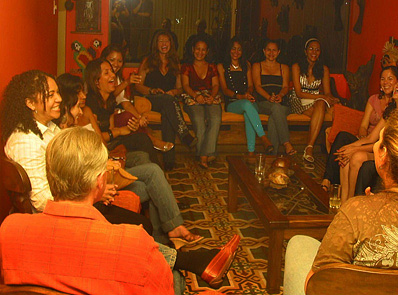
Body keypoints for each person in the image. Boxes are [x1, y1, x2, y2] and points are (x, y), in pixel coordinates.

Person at [0, 127, 241, 294]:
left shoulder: (9, 229)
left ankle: (196, 261)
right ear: (100, 182)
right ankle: (195, 262)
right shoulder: (133, 241)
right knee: (175, 276)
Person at [283, 108, 398, 295]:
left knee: (298, 243)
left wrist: (368, 211)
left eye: (379, 141)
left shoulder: (356, 211)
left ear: (383, 156)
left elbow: (317, 284)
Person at [1, 70, 152, 233]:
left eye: (57, 92)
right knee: (142, 224)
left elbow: (75, 160)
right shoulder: (25, 142)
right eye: (51, 95)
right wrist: (93, 196)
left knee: (143, 220)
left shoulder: (49, 127)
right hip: (60, 221)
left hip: (75, 202)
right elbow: (42, 201)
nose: (59, 99)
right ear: (30, 103)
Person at [69, 66, 202, 245]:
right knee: (152, 172)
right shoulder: (67, 126)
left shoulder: (87, 110)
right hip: (99, 169)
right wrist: (120, 132)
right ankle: (168, 230)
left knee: (142, 157)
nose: (83, 96)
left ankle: (161, 235)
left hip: (104, 157)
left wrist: (119, 131)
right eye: (78, 93)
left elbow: (102, 138)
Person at [322, 75, 398, 203]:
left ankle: (352, 203)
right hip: (380, 150)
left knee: (356, 156)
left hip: (393, 156)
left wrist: (355, 149)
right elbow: (371, 137)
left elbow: (390, 147)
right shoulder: (391, 111)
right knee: (346, 156)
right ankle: (344, 203)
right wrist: (350, 147)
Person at [136, 30, 197, 170]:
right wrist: (152, 90)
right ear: (156, 44)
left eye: (167, 41)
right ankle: (184, 134)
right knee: (168, 102)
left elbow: (180, 89)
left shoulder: (175, 63)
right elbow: (138, 85)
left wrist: (172, 92)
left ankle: (169, 160)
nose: (164, 44)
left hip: (168, 102)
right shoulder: (148, 61)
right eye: (161, 41)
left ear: (171, 44)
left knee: (167, 110)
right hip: (151, 99)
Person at [101, 44, 175, 154]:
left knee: (137, 120)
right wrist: (127, 83)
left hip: (115, 116)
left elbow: (126, 103)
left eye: (120, 61)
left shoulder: (117, 78)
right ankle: (154, 141)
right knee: (128, 117)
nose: (116, 64)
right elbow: (108, 97)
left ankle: (151, 146)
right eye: (112, 60)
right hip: (103, 119)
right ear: (104, 59)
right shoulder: (99, 76)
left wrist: (139, 117)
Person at [217, 36, 273, 155]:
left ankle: (251, 153)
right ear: (229, 49)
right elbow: (225, 90)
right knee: (247, 105)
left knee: (248, 111)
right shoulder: (222, 66)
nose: (236, 52)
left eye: (239, 49)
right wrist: (241, 97)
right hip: (232, 103)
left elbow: (251, 85)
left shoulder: (246, 65)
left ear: (243, 52)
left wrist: (248, 92)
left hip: (248, 101)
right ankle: (263, 138)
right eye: (233, 49)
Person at [289, 38, 339, 163]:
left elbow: (327, 92)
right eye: (311, 49)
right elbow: (299, 93)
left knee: (325, 107)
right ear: (305, 51)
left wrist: (331, 98)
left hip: (317, 100)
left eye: (317, 50)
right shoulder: (296, 67)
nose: (314, 52)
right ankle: (312, 148)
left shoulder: (324, 69)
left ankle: (309, 147)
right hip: (299, 99)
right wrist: (320, 97)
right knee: (320, 111)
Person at [181, 37, 222, 169]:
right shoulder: (186, 66)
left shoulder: (212, 67)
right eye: (198, 49)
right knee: (199, 119)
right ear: (193, 50)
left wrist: (212, 96)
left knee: (215, 118)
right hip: (192, 97)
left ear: (207, 51)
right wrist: (195, 96)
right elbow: (185, 85)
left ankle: (203, 154)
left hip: (210, 96)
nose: (200, 52)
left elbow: (216, 85)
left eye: (203, 50)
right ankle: (206, 155)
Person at [252, 40, 295, 155]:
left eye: (274, 50)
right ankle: (286, 143)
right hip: (264, 103)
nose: (271, 53)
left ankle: (271, 155)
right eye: (268, 50)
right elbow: (257, 86)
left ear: (278, 52)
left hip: (282, 103)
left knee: (274, 116)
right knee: (275, 109)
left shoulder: (284, 68)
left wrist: (280, 95)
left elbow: (286, 86)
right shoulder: (257, 66)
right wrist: (268, 97)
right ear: (264, 51)